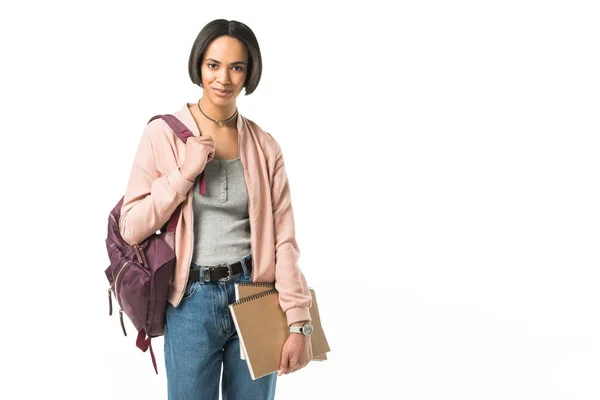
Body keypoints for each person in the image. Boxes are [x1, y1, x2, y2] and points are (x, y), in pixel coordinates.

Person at [118, 19, 314, 399]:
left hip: (256, 294)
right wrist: (184, 173)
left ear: (248, 74)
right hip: (191, 299)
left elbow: (284, 241)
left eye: (236, 67)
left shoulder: (264, 146)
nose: (223, 78)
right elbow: (131, 226)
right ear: (199, 65)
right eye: (213, 65)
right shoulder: (162, 134)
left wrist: (299, 322)